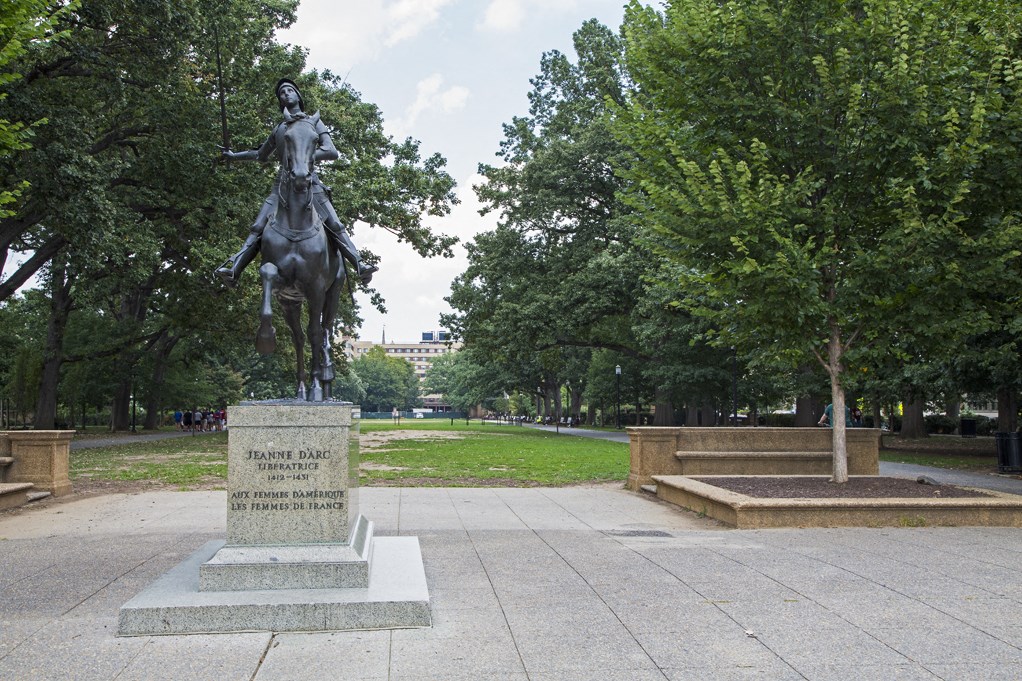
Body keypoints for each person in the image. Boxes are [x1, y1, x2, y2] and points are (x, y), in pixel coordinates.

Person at [215, 78, 377, 287]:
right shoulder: (279, 128)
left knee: (335, 224)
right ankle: (234, 267)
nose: (286, 94)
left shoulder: (314, 122)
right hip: (281, 187)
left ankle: (359, 263)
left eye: (290, 90)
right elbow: (260, 155)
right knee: (258, 227)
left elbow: (331, 151)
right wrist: (233, 156)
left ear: (298, 95)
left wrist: (304, 157)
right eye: (282, 93)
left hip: (311, 186)